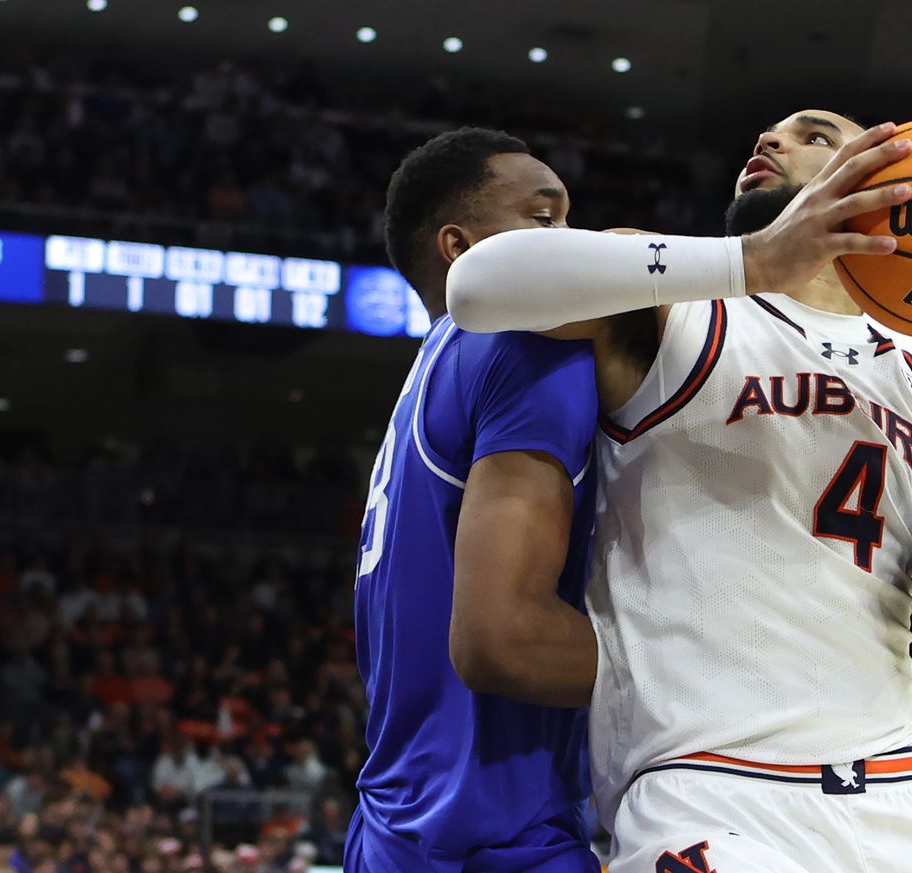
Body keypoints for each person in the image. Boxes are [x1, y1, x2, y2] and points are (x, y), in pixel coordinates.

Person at [448, 112, 912, 872]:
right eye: (768, 134)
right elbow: (473, 286)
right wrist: (754, 261)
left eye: (814, 136)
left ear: (888, 188)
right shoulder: (682, 300)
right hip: (706, 784)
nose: (768, 141)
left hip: (903, 787)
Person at [344, 128, 601, 872]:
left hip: (393, 824)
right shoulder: (519, 341)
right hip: (496, 835)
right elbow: (504, 639)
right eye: (543, 218)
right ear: (461, 249)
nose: (572, 240)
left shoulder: (431, 365)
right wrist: (735, 671)